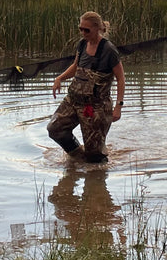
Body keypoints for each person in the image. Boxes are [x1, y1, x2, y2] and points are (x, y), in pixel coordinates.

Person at [49, 10, 124, 163]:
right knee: (55, 129)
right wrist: (60, 78)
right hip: (74, 100)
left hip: (96, 107)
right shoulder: (82, 44)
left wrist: (118, 107)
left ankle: (96, 176)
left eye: (86, 30)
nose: (83, 33)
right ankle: (77, 157)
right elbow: (76, 67)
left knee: (95, 157)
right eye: (80, 29)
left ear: (97, 28)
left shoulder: (109, 50)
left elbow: (121, 79)